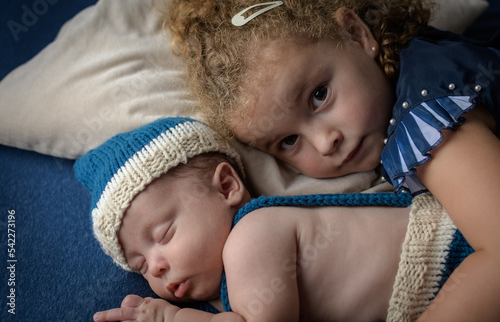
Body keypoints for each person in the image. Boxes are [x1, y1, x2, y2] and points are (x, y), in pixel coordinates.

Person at [166, 0, 500, 320]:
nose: (326, 143)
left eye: (319, 95)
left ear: (356, 35)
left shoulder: (429, 120)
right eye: (288, 141)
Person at [75, 116, 473, 322]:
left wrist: (174, 317)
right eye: (140, 265)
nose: (156, 266)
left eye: (164, 234)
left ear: (227, 187)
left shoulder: (253, 234)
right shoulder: (231, 287)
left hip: (454, 254)